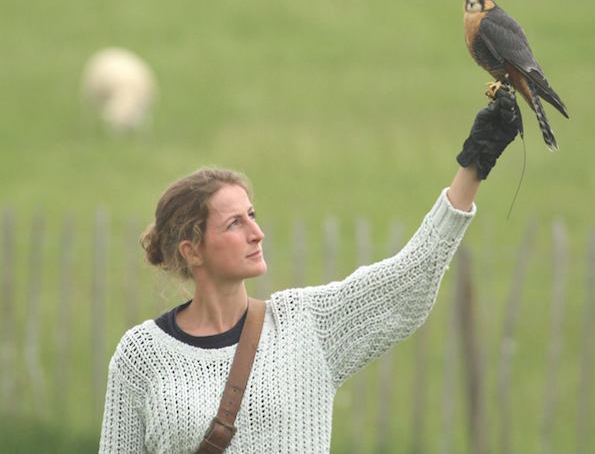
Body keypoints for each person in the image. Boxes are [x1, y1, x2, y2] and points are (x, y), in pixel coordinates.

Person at [98, 88, 521, 453]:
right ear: (192, 251)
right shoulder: (141, 356)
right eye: (234, 224)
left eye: (252, 215)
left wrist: (473, 167)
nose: (257, 232)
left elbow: (407, 285)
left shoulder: (305, 325)